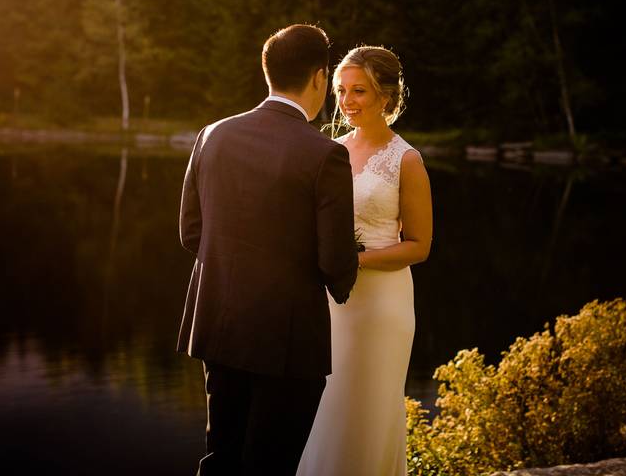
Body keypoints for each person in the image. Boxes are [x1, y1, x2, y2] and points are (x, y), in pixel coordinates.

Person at [176, 24, 359, 476]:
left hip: (219, 323)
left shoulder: (212, 134)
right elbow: (335, 261)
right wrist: (344, 282)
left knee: (221, 458)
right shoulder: (324, 154)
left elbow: (191, 231)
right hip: (288, 338)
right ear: (320, 76)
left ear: (268, 72)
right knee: (270, 465)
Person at [297, 46, 433, 476]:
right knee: (328, 405)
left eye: (359, 91)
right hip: (333, 301)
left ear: (386, 98)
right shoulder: (330, 150)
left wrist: (354, 261)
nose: (347, 101)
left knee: (368, 406)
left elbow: (419, 245)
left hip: (381, 306)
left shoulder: (406, 160)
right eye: (341, 90)